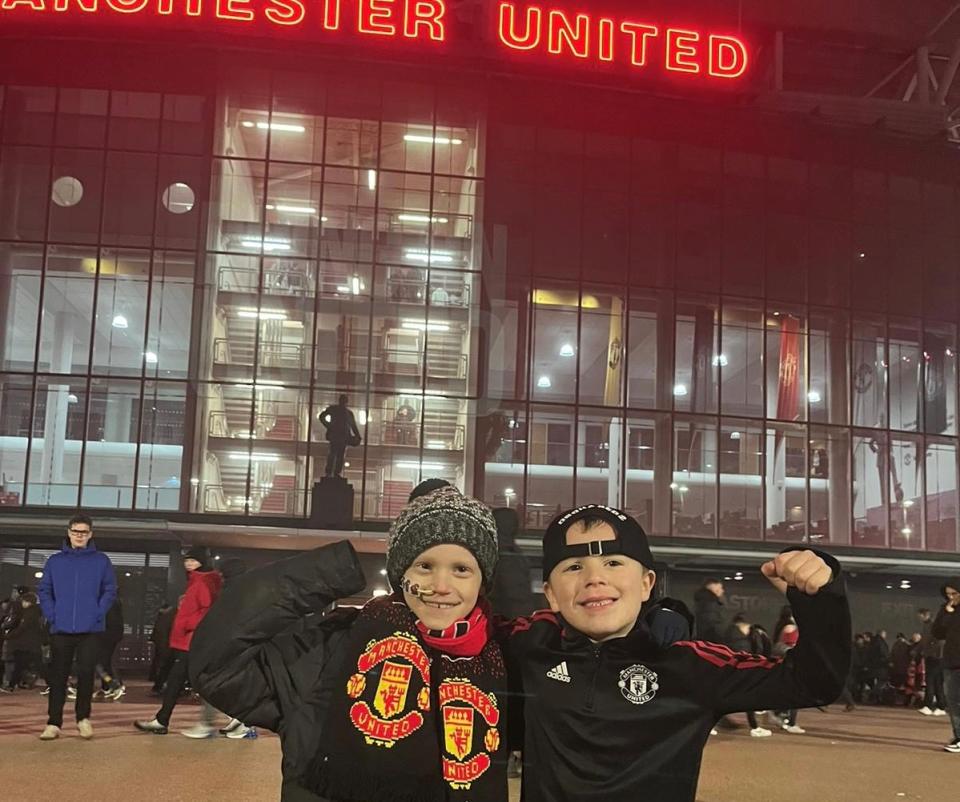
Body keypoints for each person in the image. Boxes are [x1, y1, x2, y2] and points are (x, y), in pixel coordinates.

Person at [505, 504, 850, 802]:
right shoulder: (532, 642)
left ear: (646, 584)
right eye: (574, 567)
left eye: (612, 563)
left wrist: (821, 602)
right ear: (550, 593)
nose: (594, 578)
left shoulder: (689, 664)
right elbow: (460, 624)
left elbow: (814, 682)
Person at [190, 486, 509, 801]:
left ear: (483, 582)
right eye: (425, 566)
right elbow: (219, 667)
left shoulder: (503, 662)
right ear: (401, 574)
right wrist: (328, 573)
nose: (441, 586)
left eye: (462, 569)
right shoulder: (336, 647)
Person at [36, 514, 117, 740]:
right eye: (75, 531)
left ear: (90, 534)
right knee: (58, 676)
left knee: (86, 674)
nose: (79, 535)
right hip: (61, 628)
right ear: (69, 532)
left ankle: (83, 719)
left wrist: (97, 613)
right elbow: (44, 590)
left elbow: (109, 590)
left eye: (83, 532)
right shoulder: (55, 561)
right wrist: (52, 615)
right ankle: (53, 722)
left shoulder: (101, 561)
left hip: (90, 629)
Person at [135, 547, 223, 738]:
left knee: (193, 682)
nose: (188, 564)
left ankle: (198, 722)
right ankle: (163, 719)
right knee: (183, 681)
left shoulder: (202, 583)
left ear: (202, 563)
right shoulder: (199, 581)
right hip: (189, 641)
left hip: (191, 641)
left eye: (193, 561)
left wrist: (185, 624)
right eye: (187, 561)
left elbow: (206, 612)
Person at [726, 615, 772, 737]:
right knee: (749, 696)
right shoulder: (752, 634)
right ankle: (755, 727)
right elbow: (761, 649)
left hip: (732, 668)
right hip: (745, 668)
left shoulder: (729, 633)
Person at [932, 575, 960, 752]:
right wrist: (947, 613)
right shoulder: (946, 609)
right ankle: (959, 736)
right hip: (952, 661)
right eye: (948, 594)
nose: (951, 597)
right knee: (953, 701)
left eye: (955, 593)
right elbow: (937, 632)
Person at [1, 592, 43, 691]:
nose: (22, 603)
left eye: (24, 601)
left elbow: (22, 628)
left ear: (28, 602)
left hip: (30, 645)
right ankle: (11, 685)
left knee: (39, 666)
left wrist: (7, 636)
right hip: (29, 645)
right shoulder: (34, 612)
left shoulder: (30, 613)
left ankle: (54, 684)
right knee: (20, 665)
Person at [318, 394, 361, 478]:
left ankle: (335, 472)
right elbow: (321, 417)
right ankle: (330, 472)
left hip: (342, 437)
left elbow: (353, 426)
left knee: (339, 455)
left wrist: (357, 435)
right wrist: (329, 426)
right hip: (337, 436)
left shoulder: (347, 413)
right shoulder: (336, 410)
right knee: (333, 454)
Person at [918, 607, 947, 716]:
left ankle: (928, 705)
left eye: (920, 615)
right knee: (938, 682)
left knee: (930, 681)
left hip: (933, 657)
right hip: (938, 657)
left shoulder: (931, 626)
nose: (919, 618)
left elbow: (935, 641)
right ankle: (941, 706)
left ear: (925, 615)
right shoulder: (930, 626)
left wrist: (928, 652)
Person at [95, 598, 125, 700]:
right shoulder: (111, 600)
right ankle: (108, 686)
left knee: (101, 662)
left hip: (107, 635)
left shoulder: (108, 601)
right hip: (108, 635)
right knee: (104, 662)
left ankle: (115, 684)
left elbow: (110, 620)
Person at [148, 602, 176, 695]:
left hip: (166, 645)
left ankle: (159, 685)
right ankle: (161, 686)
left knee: (164, 666)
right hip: (169, 646)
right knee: (165, 666)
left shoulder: (167, 616)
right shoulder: (170, 616)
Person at [693, 577, 731, 644]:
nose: (722, 591)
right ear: (713, 587)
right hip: (712, 644)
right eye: (720, 588)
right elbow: (714, 625)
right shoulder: (710, 604)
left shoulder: (701, 602)